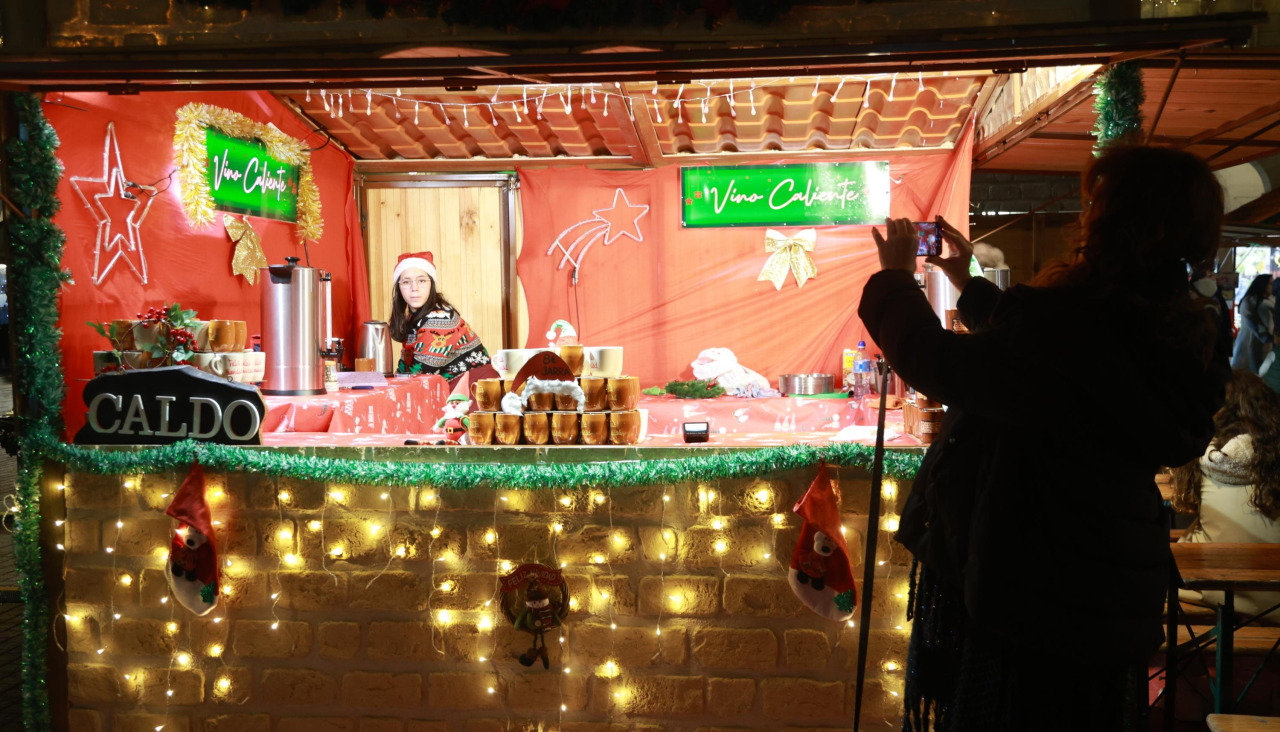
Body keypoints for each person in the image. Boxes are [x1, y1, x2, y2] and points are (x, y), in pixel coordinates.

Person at [858, 146, 1229, 732]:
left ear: (1118, 222)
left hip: (1035, 594)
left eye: (1096, 205)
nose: (1084, 217)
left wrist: (895, 282)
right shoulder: (1178, 327)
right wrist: (967, 281)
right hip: (1110, 588)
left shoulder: (1075, 327)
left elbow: (941, 363)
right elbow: (1042, 366)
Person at [1171, 369, 1280, 622]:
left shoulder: (1202, 456)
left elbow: (1185, 506)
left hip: (1214, 590)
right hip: (1275, 595)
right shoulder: (1274, 457)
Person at [387, 251, 496, 384]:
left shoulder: (438, 319)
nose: (414, 288)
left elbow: (421, 376)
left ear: (431, 284)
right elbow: (405, 371)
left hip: (475, 390)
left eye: (421, 281)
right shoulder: (413, 318)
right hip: (453, 389)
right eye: (406, 282)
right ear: (399, 287)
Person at [1231, 273, 1274, 373]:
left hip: (1266, 344)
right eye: (1270, 284)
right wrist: (1267, 337)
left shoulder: (1271, 300)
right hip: (1250, 341)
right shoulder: (1249, 301)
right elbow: (1252, 322)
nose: (1272, 286)